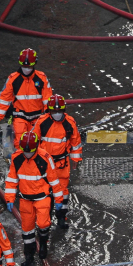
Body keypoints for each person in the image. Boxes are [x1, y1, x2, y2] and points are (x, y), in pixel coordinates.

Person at [4, 130, 60, 266]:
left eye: (30, 151)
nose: (27, 153)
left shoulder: (45, 158)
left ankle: (43, 243)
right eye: (25, 151)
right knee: (27, 229)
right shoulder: (17, 158)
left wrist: (58, 200)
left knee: (43, 223)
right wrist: (9, 198)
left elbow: (54, 181)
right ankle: (29, 255)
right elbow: (12, 180)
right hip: (25, 199)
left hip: (42, 198)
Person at [30, 94, 82, 229]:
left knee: (62, 191)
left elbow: (75, 142)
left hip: (61, 164)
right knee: (44, 191)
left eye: (59, 111)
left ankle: (61, 217)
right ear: (49, 110)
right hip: (45, 163)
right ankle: (44, 218)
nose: (57, 114)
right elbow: (33, 141)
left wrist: (75, 158)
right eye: (54, 111)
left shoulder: (70, 123)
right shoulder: (42, 122)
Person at [0, 49, 54, 150]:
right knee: (19, 142)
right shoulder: (13, 79)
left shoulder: (41, 78)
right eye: (25, 66)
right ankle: (20, 163)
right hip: (20, 116)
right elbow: (4, 98)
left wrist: (49, 115)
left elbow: (47, 98)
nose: (27, 69)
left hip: (37, 117)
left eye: (29, 66)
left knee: (37, 142)